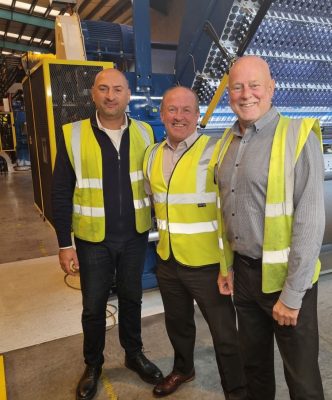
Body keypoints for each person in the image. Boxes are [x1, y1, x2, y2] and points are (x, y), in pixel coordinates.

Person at [217, 55, 325, 400]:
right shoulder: (226, 142)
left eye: (254, 85)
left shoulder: (297, 135)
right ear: (228, 93)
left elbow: (310, 221)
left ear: (271, 88)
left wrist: (292, 296)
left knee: (302, 378)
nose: (246, 94)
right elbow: (225, 212)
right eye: (237, 87)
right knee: (255, 369)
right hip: (246, 278)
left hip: (288, 281)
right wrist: (228, 265)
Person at [51, 68, 163, 400]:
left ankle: (134, 354)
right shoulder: (72, 134)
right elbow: (60, 192)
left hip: (134, 236)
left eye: (117, 89)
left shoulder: (145, 133)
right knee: (93, 306)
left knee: (132, 298)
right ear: (93, 93)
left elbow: (154, 183)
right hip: (92, 239)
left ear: (128, 95)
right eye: (103, 89)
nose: (110, 95)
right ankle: (94, 364)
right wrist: (63, 243)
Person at [143, 86, 247, 399]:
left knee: (225, 333)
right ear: (162, 114)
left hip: (206, 264)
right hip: (168, 259)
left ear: (197, 115)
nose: (179, 116)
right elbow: (156, 202)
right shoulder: (151, 155)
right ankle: (184, 368)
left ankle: (237, 390)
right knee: (178, 324)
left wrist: (227, 263)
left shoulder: (216, 151)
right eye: (172, 110)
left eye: (187, 110)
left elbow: (231, 209)